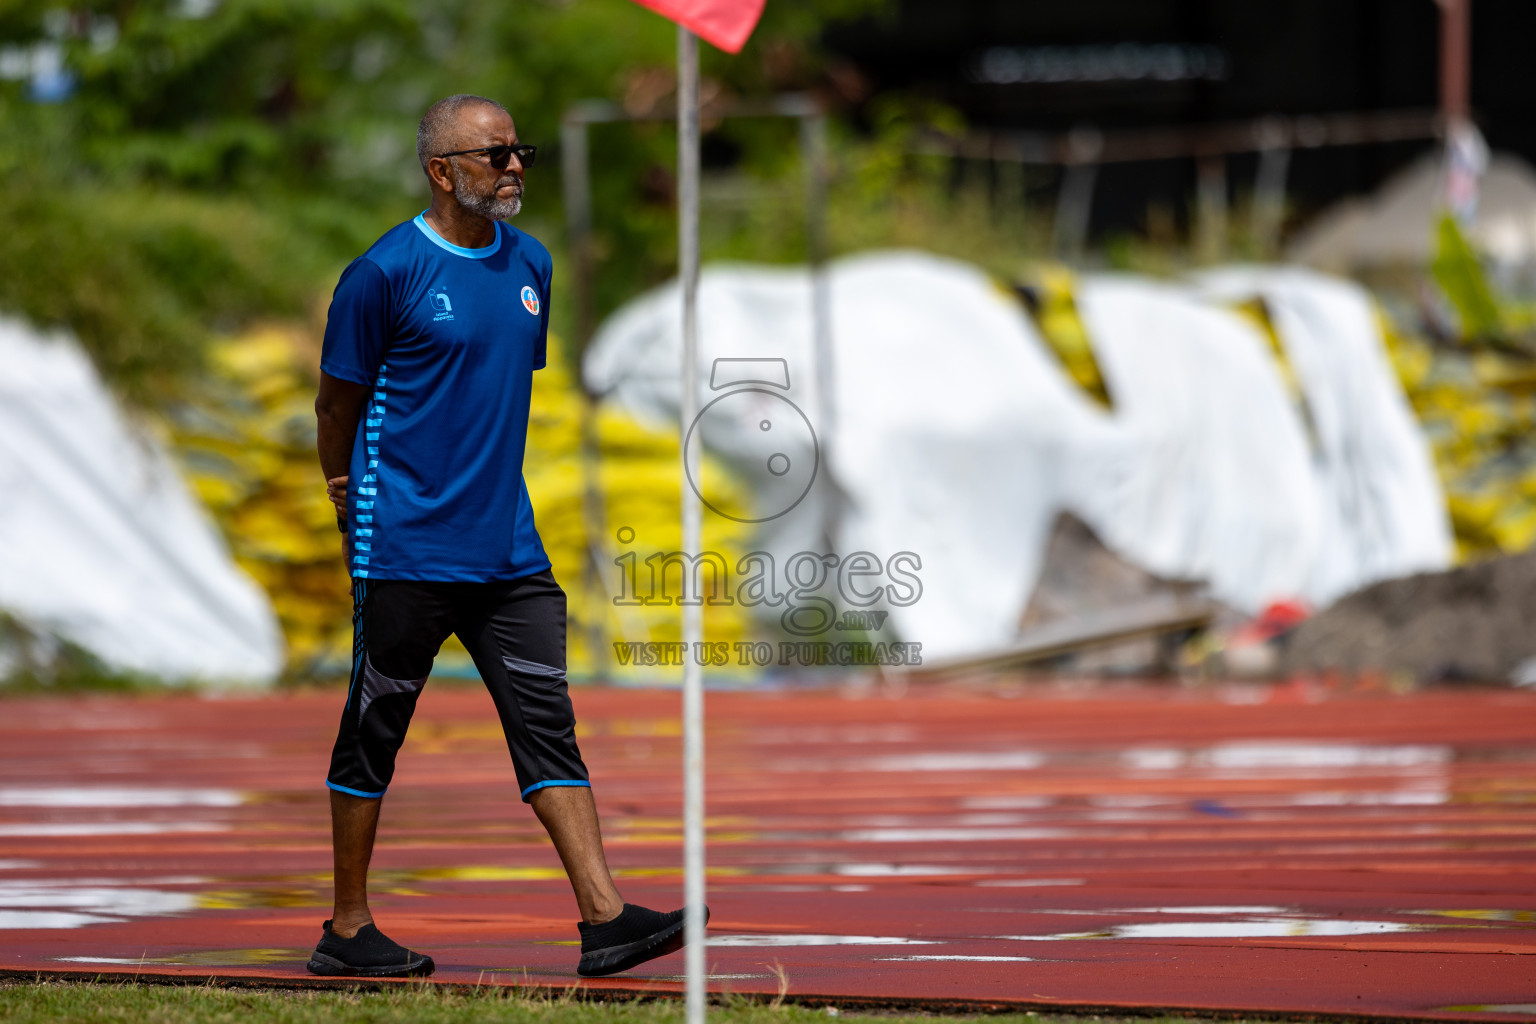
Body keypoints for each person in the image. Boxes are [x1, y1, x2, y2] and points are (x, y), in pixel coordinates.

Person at [307, 93, 703, 979]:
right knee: (376, 729)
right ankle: (347, 928)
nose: (515, 165)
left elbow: (489, 394)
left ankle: (605, 917)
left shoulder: (532, 264)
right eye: (494, 154)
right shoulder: (382, 274)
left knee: (549, 726)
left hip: (510, 555)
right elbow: (337, 404)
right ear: (442, 171)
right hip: (406, 544)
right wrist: (346, 499)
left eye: (520, 150)